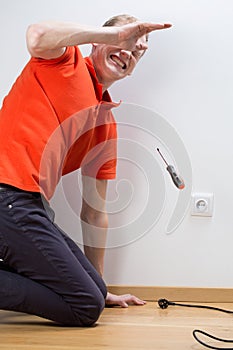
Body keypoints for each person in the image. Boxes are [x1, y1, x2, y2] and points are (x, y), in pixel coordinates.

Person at [0, 14, 172, 326]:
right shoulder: (64, 60)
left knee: (95, 293)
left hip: (30, 207)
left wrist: (100, 284)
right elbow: (36, 34)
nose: (127, 53)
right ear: (98, 41)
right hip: (8, 196)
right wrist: (118, 34)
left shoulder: (106, 125)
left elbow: (95, 212)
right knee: (85, 307)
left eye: (136, 52)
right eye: (122, 42)